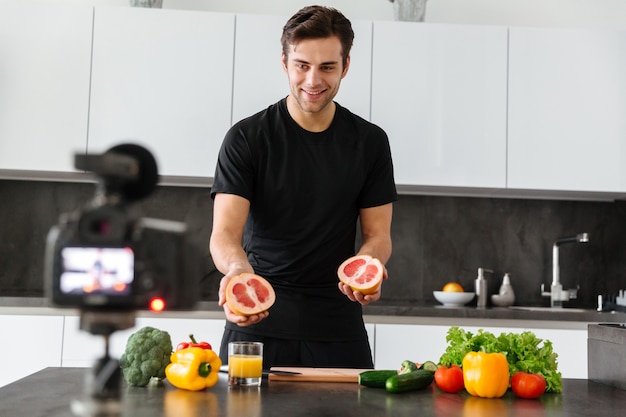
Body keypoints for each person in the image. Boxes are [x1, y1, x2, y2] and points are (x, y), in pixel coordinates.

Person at [209, 5, 397, 369]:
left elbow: (379, 235)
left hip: (338, 323)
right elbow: (224, 234)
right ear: (284, 63)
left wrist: (370, 262)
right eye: (302, 65)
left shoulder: (370, 142)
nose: (313, 80)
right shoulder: (247, 139)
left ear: (345, 66)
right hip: (256, 322)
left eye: (327, 67)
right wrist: (236, 271)